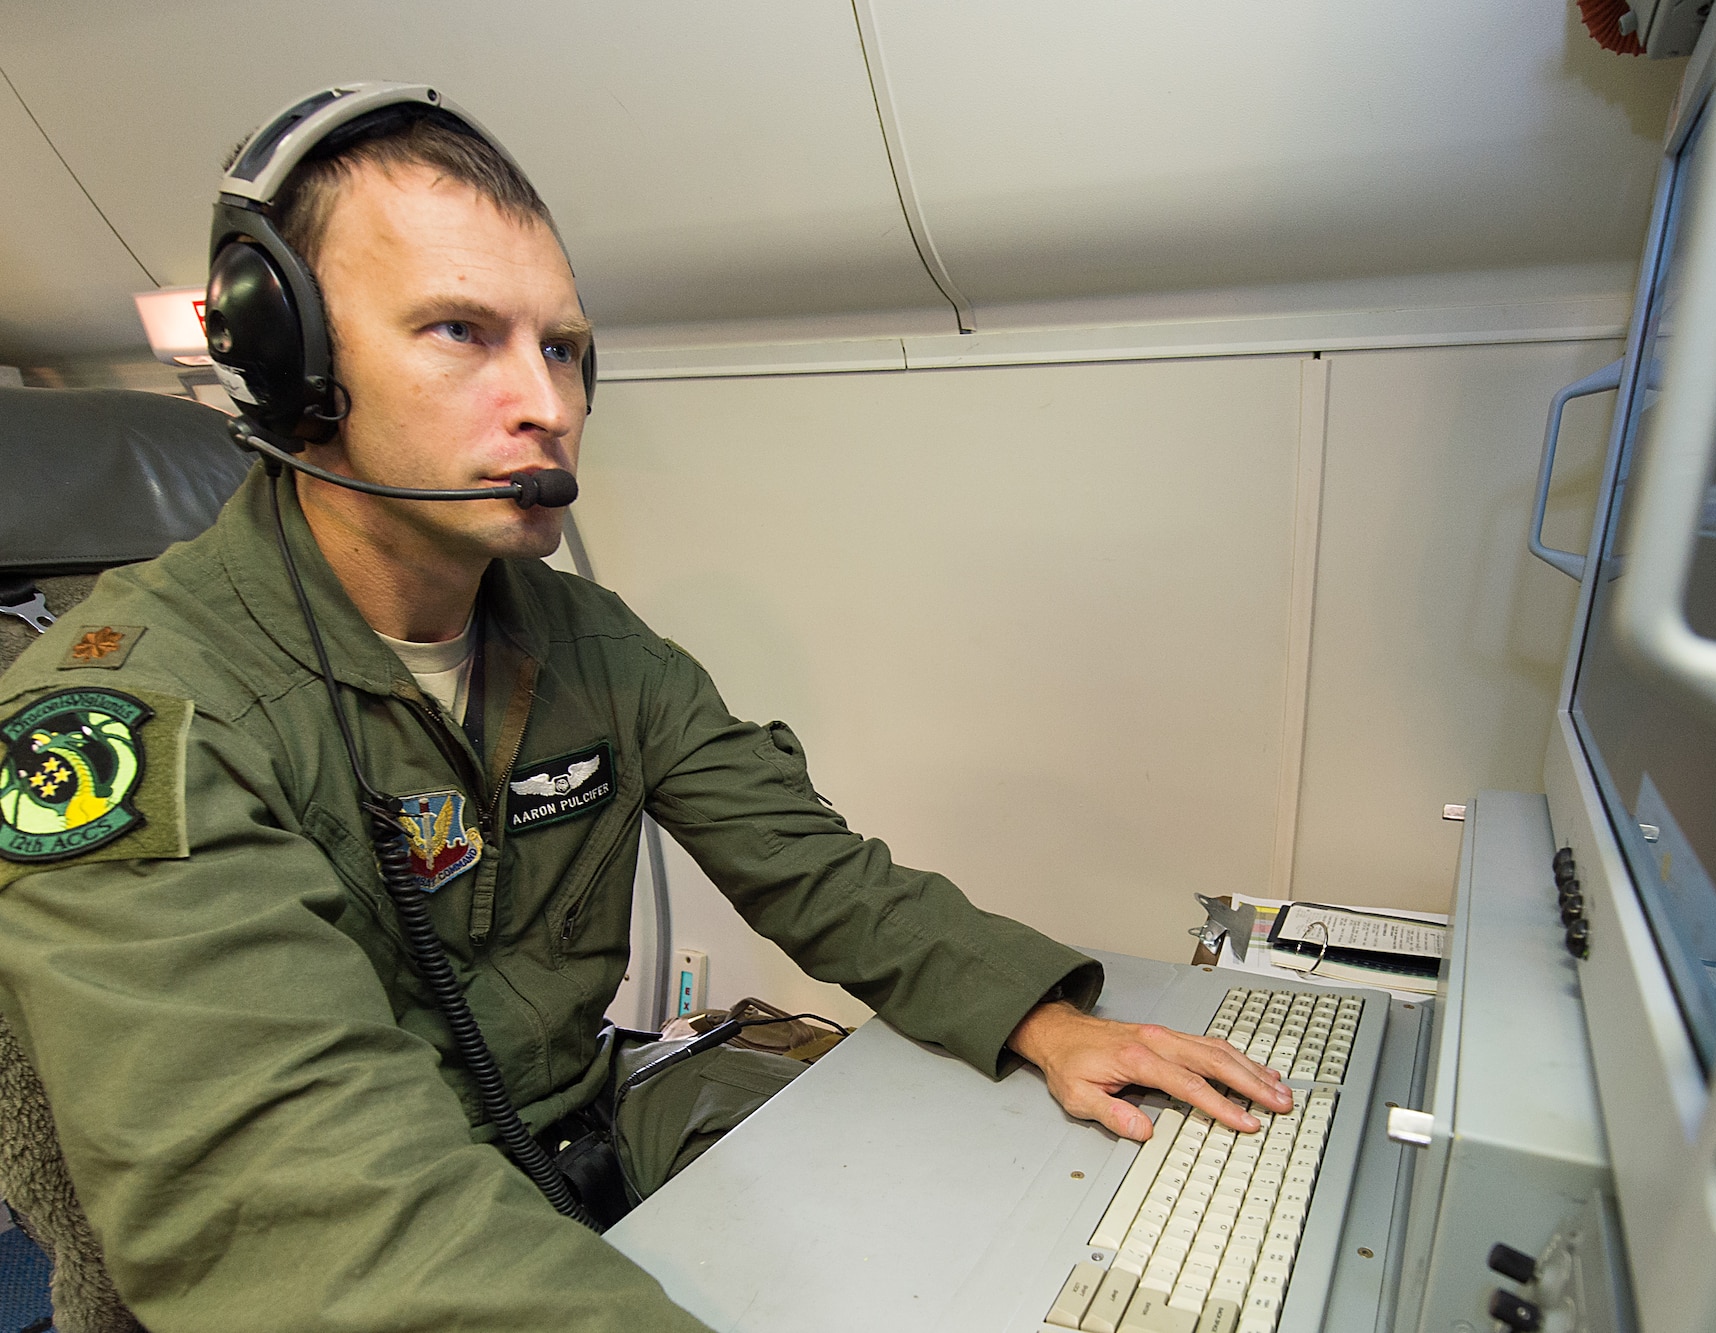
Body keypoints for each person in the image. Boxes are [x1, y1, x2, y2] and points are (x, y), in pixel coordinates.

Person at [0, 92, 1289, 1332]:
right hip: (380, 1230)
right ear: (292, 366)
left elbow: (813, 868)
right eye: (461, 333)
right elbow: (307, 1199)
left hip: (584, 1131)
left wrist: (1037, 1016)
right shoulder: (115, 726)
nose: (548, 402)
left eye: (561, 347)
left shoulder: (582, 639)